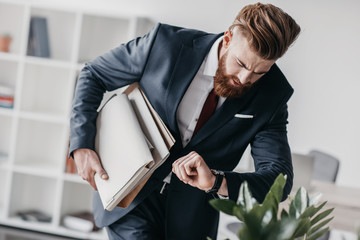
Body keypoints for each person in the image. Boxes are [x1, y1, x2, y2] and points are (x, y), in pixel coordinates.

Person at [70, 2, 301, 239]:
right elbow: (94, 74)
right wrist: (82, 145)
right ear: (229, 37)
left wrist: (216, 181)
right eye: (241, 64)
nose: (244, 78)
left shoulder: (273, 95)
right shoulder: (165, 44)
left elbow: (278, 181)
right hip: (131, 198)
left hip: (192, 221)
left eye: (259, 72)